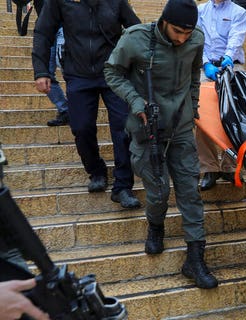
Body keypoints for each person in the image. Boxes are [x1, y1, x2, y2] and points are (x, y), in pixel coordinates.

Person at [104, 0, 218, 289]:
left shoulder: (196, 39)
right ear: (164, 21)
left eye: (187, 33)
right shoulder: (135, 39)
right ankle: (156, 226)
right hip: (147, 128)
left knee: (190, 191)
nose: (182, 38)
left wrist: (192, 107)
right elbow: (111, 72)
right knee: (158, 192)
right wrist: (134, 100)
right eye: (178, 31)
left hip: (181, 127)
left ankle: (195, 258)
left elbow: (194, 75)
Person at [31, 0, 141, 208]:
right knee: (82, 128)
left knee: (124, 128)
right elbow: (43, 33)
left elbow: (135, 28)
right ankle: (96, 171)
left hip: (113, 73)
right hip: (78, 74)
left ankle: (123, 186)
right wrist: (41, 70)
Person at [195, 0, 246, 190]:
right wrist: (205, 63)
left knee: (233, 116)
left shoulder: (239, 12)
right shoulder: (200, 10)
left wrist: (228, 57)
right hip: (206, 68)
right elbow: (196, 38)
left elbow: (236, 36)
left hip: (231, 65)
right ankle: (209, 168)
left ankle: (230, 166)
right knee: (202, 117)